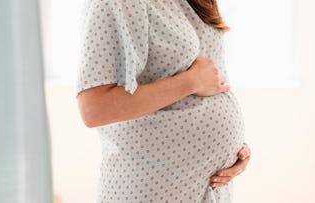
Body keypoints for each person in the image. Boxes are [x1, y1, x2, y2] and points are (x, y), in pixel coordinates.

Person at [75, 0, 251, 202]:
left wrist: (234, 150)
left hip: (210, 188)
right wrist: (190, 82)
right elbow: (94, 109)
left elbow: (211, 78)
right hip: (154, 187)